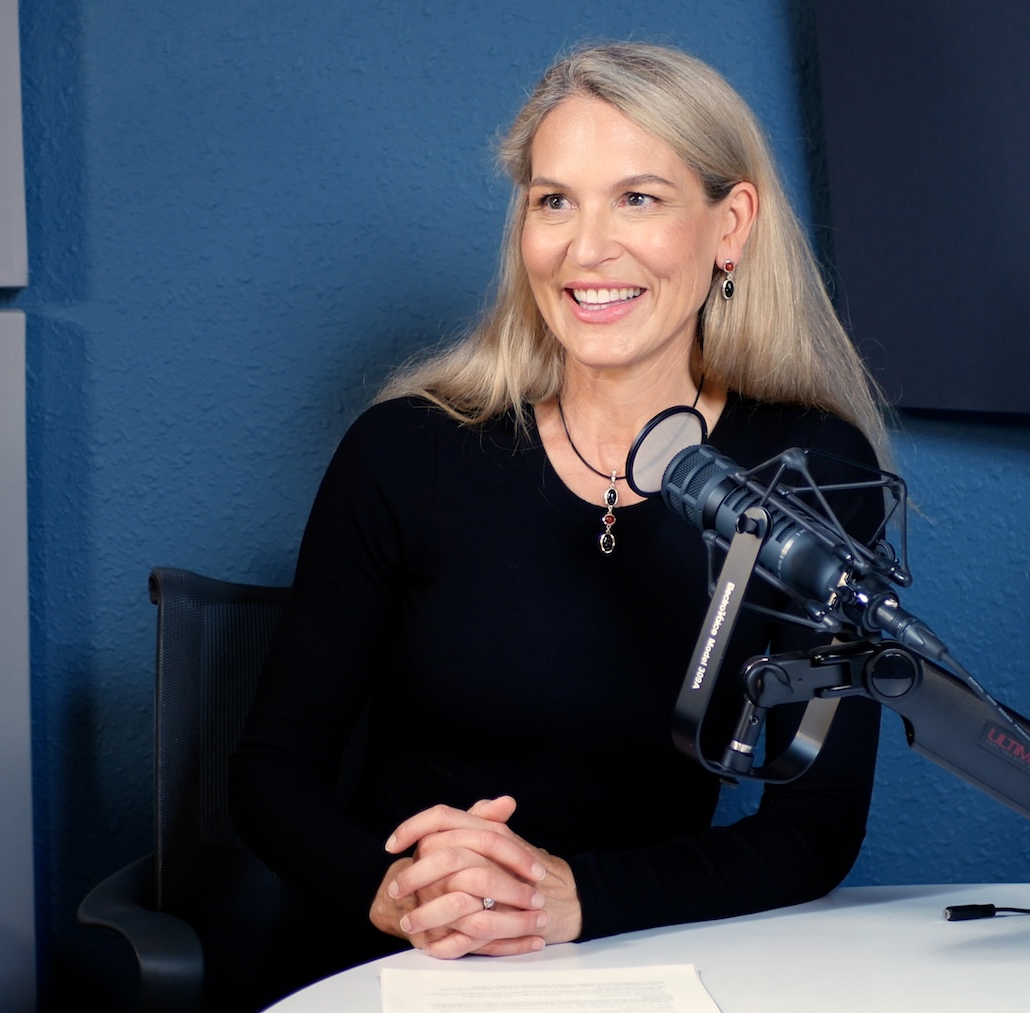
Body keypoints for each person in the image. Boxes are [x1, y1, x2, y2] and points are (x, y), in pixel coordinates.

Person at [231, 41, 890, 1002]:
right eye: (554, 201)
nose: (586, 249)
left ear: (730, 225)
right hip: (394, 958)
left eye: (638, 198)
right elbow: (270, 773)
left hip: (636, 962)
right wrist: (398, 891)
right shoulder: (409, 450)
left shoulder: (810, 473)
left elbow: (814, 824)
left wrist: (572, 896)